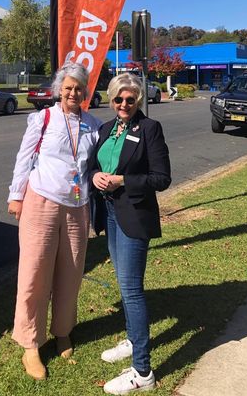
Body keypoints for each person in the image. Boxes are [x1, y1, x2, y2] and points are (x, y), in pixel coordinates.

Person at [7, 62, 102, 380]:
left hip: (78, 205)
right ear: (59, 90)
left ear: (85, 91)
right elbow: (25, 157)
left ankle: (63, 330)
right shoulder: (43, 119)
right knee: (34, 272)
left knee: (71, 272)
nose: (73, 92)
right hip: (41, 201)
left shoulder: (93, 124)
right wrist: (16, 195)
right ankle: (30, 343)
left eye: (79, 88)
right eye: (68, 87)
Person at [88, 73, 171, 395]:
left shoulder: (149, 129)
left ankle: (142, 371)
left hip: (135, 217)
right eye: (118, 99)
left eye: (130, 99)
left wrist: (123, 181)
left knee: (132, 289)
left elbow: (162, 178)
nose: (124, 104)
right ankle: (133, 339)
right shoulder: (106, 129)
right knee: (124, 285)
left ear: (138, 100)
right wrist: (96, 176)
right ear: (111, 100)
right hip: (109, 214)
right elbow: (94, 165)